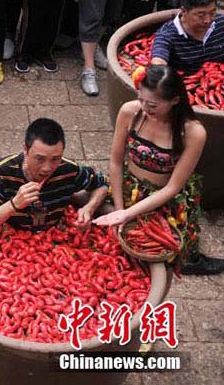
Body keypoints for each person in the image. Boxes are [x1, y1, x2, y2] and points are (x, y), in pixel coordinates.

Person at [96, 66, 224, 275]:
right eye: (141, 98)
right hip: (130, 189)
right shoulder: (130, 111)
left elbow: (174, 187)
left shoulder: (192, 132)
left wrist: (127, 214)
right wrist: (120, 209)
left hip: (164, 197)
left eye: (153, 104)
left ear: (174, 100)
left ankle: (192, 261)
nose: (144, 106)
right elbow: (116, 161)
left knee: (174, 247)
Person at [0, 118, 109, 236]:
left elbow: (102, 184)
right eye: (40, 159)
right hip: (13, 234)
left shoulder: (69, 170)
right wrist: (14, 204)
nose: (47, 168)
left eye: (55, 159)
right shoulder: (3, 172)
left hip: (53, 236)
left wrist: (89, 208)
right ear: (25, 149)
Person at [150, 0, 224, 72]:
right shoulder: (167, 34)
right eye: (201, 15)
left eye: (212, 13)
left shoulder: (220, 23)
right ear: (184, 11)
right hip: (187, 83)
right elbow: (159, 59)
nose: (208, 20)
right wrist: (159, 71)